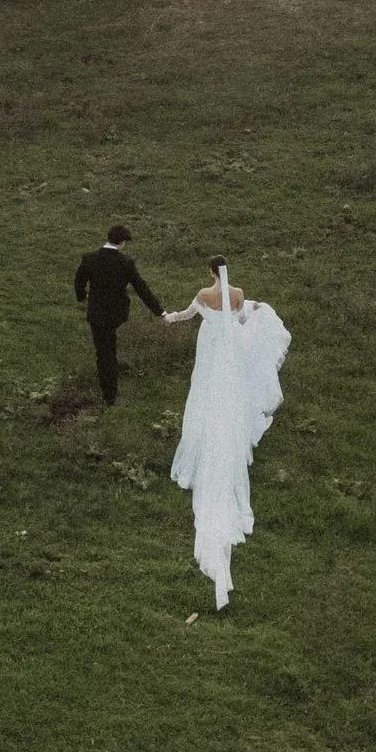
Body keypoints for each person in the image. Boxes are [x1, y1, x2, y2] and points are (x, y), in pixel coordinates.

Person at [160, 258, 292, 609]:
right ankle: (226, 430)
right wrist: (252, 309)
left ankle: (202, 436)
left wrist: (169, 317)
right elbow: (242, 318)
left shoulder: (205, 293)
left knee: (204, 391)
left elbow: (189, 315)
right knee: (229, 394)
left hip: (211, 349)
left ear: (209, 273)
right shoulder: (238, 293)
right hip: (229, 351)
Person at [72, 222, 164, 408]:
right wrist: (159, 311)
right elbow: (141, 288)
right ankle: (110, 393)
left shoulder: (90, 258)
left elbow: (79, 280)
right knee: (109, 350)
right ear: (121, 242)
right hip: (116, 314)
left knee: (103, 352)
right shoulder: (125, 263)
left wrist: (82, 296)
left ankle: (108, 393)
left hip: (97, 312)